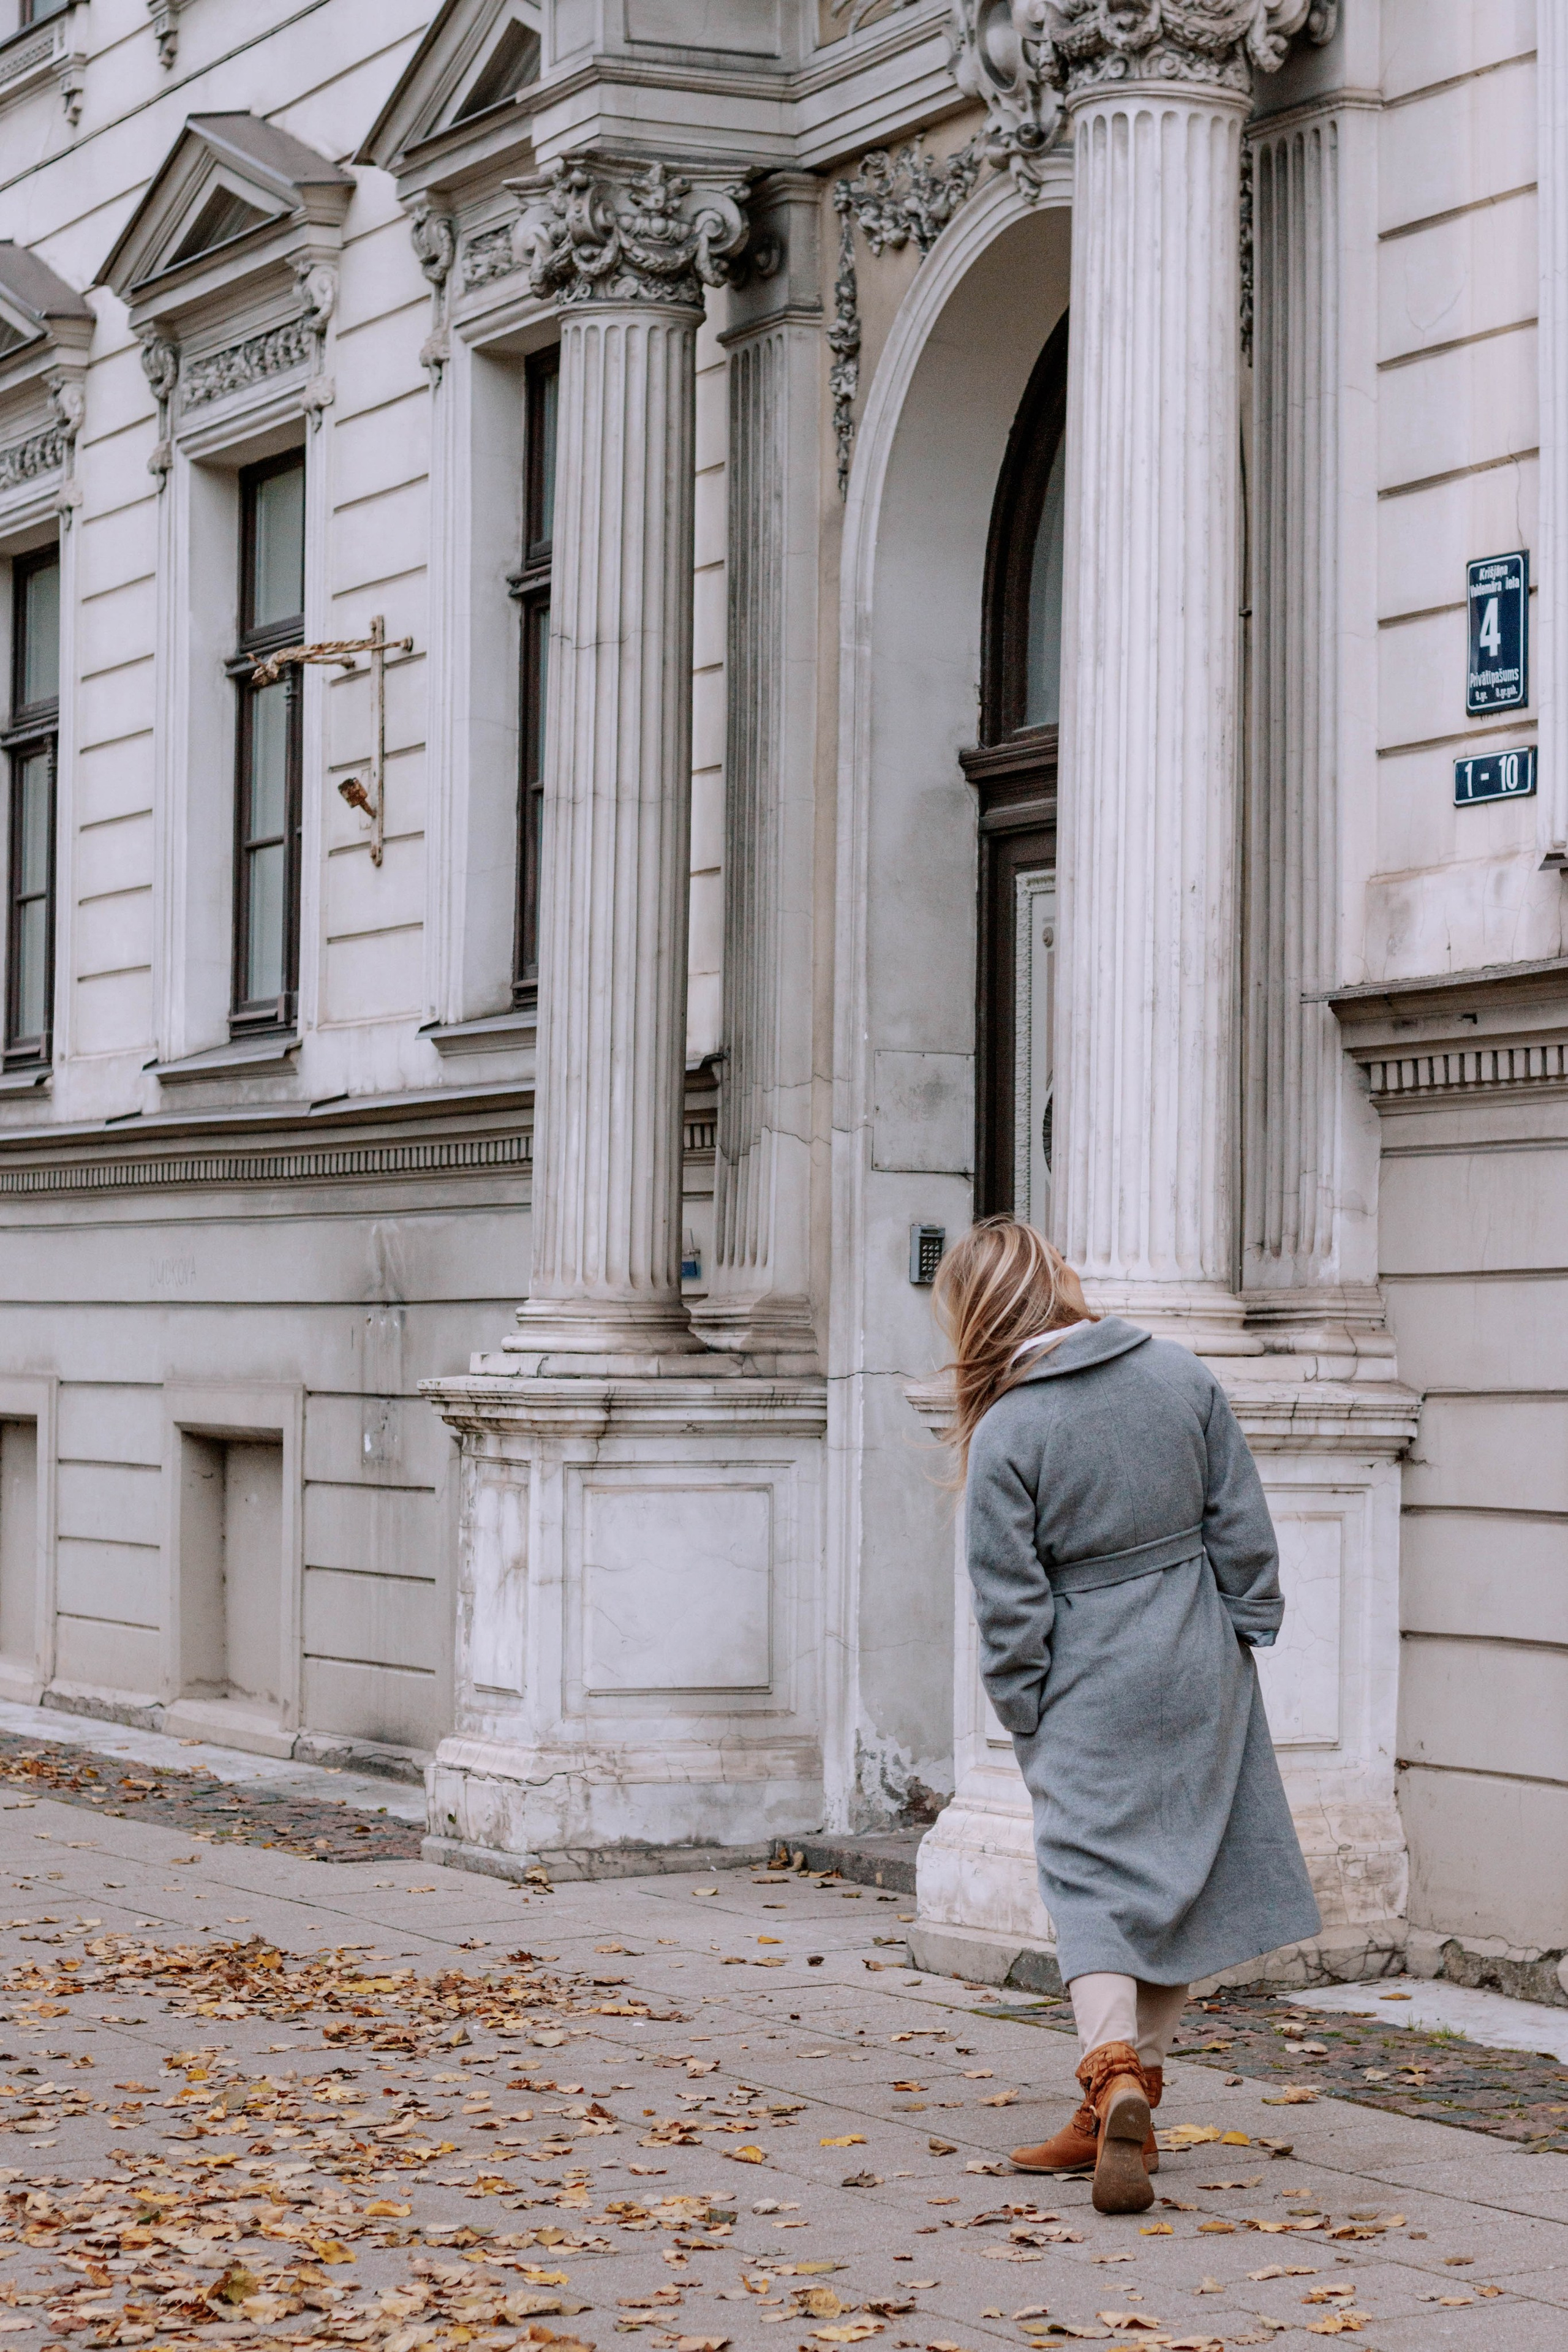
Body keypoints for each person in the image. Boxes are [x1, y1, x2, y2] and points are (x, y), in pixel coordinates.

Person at [932, 1216, 1320, 2215]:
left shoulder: (1011, 1429)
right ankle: (1130, 2102)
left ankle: (1108, 2077)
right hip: (1197, 1655)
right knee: (1177, 1871)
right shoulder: (1182, 1375)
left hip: (1086, 1677)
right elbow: (1243, 1525)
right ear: (1059, 1283)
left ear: (977, 1314)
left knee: (1090, 1874)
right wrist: (1245, 1627)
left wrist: (1024, 1709)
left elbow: (1009, 1603)